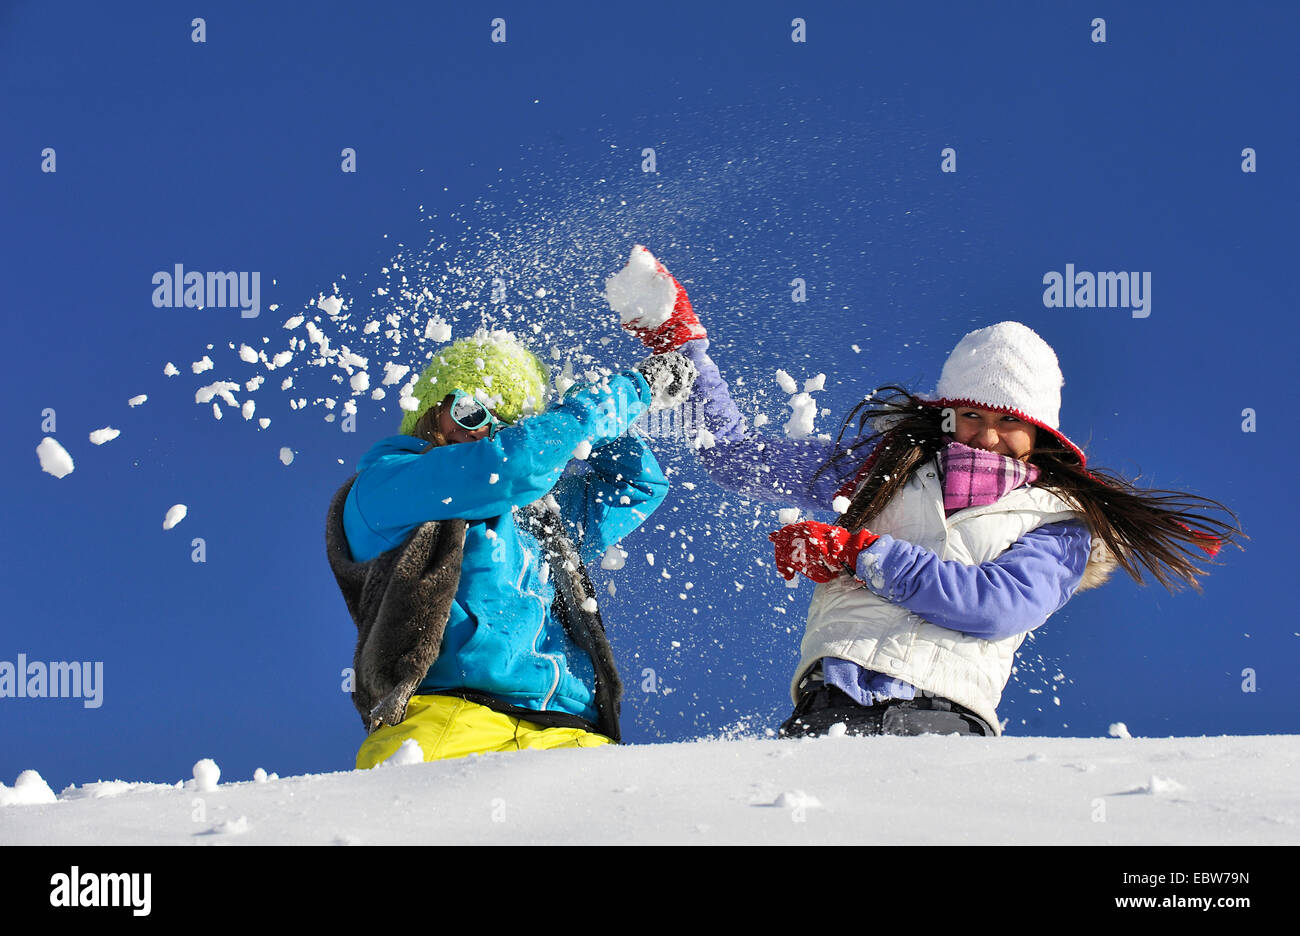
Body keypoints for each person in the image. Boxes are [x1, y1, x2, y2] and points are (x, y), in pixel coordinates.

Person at [610, 246, 1243, 738]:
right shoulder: (879, 467)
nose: (989, 437)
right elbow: (735, 459)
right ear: (945, 415)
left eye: (1010, 424)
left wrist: (857, 554)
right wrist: (687, 350)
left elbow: (999, 605)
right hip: (830, 701)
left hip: (944, 718)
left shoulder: (1059, 521)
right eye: (972, 417)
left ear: (1040, 436)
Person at [324, 327, 696, 766]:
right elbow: (512, 463)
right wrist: (629, 391)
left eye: (507, 425)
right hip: (449, 716)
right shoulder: (386, 485)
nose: (484, 432)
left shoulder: (537, 513)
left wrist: (585, 405)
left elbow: (636, 486)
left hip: (572, 728)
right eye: (469, 411)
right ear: (431, 408)